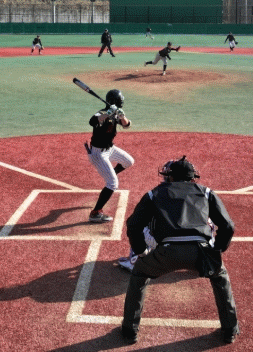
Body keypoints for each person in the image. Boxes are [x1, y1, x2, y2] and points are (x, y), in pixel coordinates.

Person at [121, 156, 239, 345]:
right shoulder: (206, 192)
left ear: (171, 176)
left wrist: (142, 252)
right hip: (201, 252)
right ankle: (230, 330)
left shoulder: (154, 193)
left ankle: (130, 330)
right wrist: (217, 250)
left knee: (140, 273)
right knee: (220, 277)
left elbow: (133, 225)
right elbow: (228, 226)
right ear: (193, 178)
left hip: (167, 252)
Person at [84, 89, 134, 222]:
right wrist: (108, 114)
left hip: (110, 149)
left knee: (129, 161)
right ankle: (95, 213)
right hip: (98, 153)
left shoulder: (116, 113)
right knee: (112, 183)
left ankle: (111, 172)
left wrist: (122, 116)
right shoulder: (101, 113)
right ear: (113, 101)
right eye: (120, 100)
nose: (122, 102)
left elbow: (127, 125)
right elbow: (92, 121)